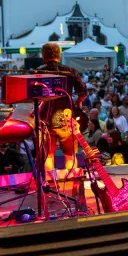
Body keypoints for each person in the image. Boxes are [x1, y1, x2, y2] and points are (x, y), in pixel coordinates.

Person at [36, 42, 87, 178]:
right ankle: (72, 181)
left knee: (48, 155)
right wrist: (78, 102)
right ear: (59, 55)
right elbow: (83, 92)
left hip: (45, 119)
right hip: (66, 117)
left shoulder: (38, 72)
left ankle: (50, 183)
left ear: (43, 55)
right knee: (70, 155)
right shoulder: (70, 71)